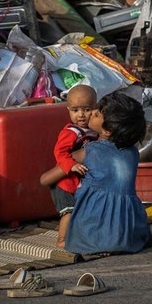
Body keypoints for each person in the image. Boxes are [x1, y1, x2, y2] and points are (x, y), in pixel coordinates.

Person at [64, 92, 150, 255]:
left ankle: (64, 237)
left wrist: (44, 178)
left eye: (95, 114)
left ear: (108, 131)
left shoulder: (91, 150)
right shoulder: (133, 153)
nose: (89, 115)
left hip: (94, 235)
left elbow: (63, 164)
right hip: (130, 234)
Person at [39, 84, 98, 249]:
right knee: (69, 212)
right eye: (75, 110)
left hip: (78, 182)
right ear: (68, 110)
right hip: (64, 183)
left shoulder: (93, 131)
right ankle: (62, 239)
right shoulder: (72, 132)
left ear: (95, 109)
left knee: (82, 210)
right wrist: (71, 165)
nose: (81, 115)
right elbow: (59, 152)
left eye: (86, 109)